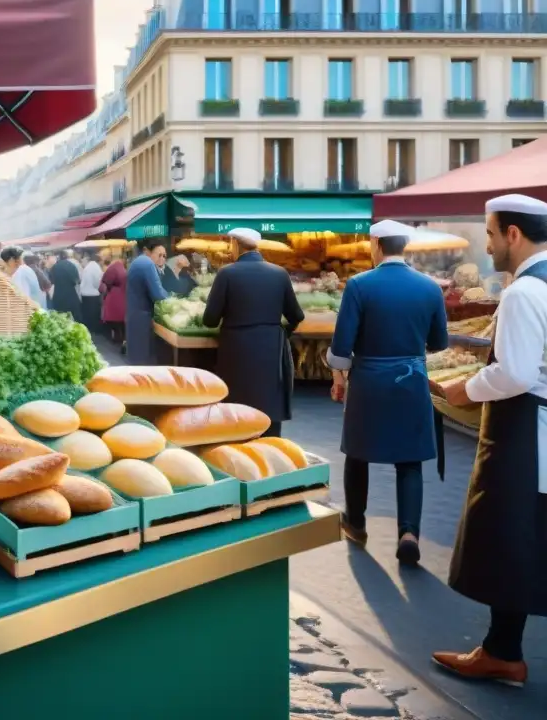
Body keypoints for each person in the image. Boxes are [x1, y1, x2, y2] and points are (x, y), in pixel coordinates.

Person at [434, 194, 547, 687]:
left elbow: (517, 373)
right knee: (525, 536)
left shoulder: (524, 293)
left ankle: (502, 652)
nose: (487, 242)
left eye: (490, 232)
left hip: (523, 428)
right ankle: (502, 649)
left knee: (508, 534)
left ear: (513, 235)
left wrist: (466, 387)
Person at [327, 220, 448, 566]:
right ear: (404, 246)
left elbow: (340, 349)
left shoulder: (360, 285)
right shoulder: (429, 287)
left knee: (358, 453)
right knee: (409, 461)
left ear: (377, 244)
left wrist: (335, 368)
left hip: (369, 381)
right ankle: (408, 533)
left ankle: (356, 524)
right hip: (411, 379)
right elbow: (439, 342)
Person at [203, 228, 304, 437]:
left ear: (235, 244)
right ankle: (271, 451)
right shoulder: (279, 273)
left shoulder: (227, 273)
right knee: (269, 405)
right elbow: (297, 315)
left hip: (236, 348)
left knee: (237, 407)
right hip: (270, 348)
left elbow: (210, 320)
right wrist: (281, 331)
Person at [126, 238, 170, 365]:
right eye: (158, 254)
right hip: (142, 319)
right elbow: (158, 294)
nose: (161, 258)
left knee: (136, 359)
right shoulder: (147, 263)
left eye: (164, 256)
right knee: (144, 361)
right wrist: (172, 300)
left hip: (134, 316)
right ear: (147, 251)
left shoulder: (138, 262)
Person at [101, 254, 127, 348]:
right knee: (121, 321)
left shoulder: (112, 268)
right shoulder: (122, 269)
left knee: (114, 321)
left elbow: (105, 282)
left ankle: (117, 339)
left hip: (114, 298)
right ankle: (123, 340)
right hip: (122, 297)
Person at [49, 248, 82, 321]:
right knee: (75, 319)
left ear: (59, 257)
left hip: (58, 296)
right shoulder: (71, 266)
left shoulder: (54, 267)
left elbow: (51, 282)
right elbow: (77, 281)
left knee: (60, 320)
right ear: (67, 256)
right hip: (71, 296)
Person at [79, 252, 104, 330]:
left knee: (87, 314)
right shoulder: (96, 267)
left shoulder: (87, 267)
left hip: (84, 294)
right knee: (94, 314)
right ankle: (94, 329)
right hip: (93, 295)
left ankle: (88, 328)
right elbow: (97, 283)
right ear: (99, 261)